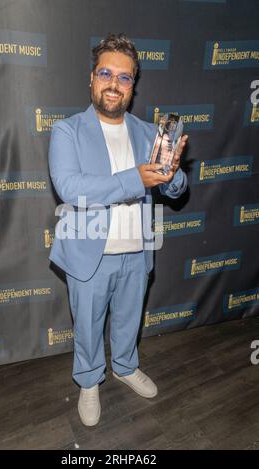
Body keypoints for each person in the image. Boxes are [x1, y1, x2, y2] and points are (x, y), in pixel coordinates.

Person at [48, 33, 188, 426]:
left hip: (136, 251)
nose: (114, 83)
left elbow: (175, 189)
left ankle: (126, 366)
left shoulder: (147, 132)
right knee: (88, 328)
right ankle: (89, 381)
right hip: (89, 254)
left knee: (129, 320)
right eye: (106, 73)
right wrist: (136, 179)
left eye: (124, 77)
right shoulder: (67, 131)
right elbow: (70, 188)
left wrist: (173, 175)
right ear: (92, 78)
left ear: (132, 86)